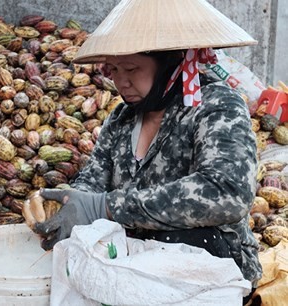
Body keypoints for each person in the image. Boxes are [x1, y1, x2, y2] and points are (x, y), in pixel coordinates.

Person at [26, 0, 263, 303]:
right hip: (135, 274)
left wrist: (106, 207)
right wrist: (73, 203)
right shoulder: (123, 117)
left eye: (132, 69)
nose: (121, 81)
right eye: (113, 69)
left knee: (180, 237)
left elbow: (227, 193)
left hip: (209, 273)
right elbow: (94, 180)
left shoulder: (217, 105)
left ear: (170, 64)